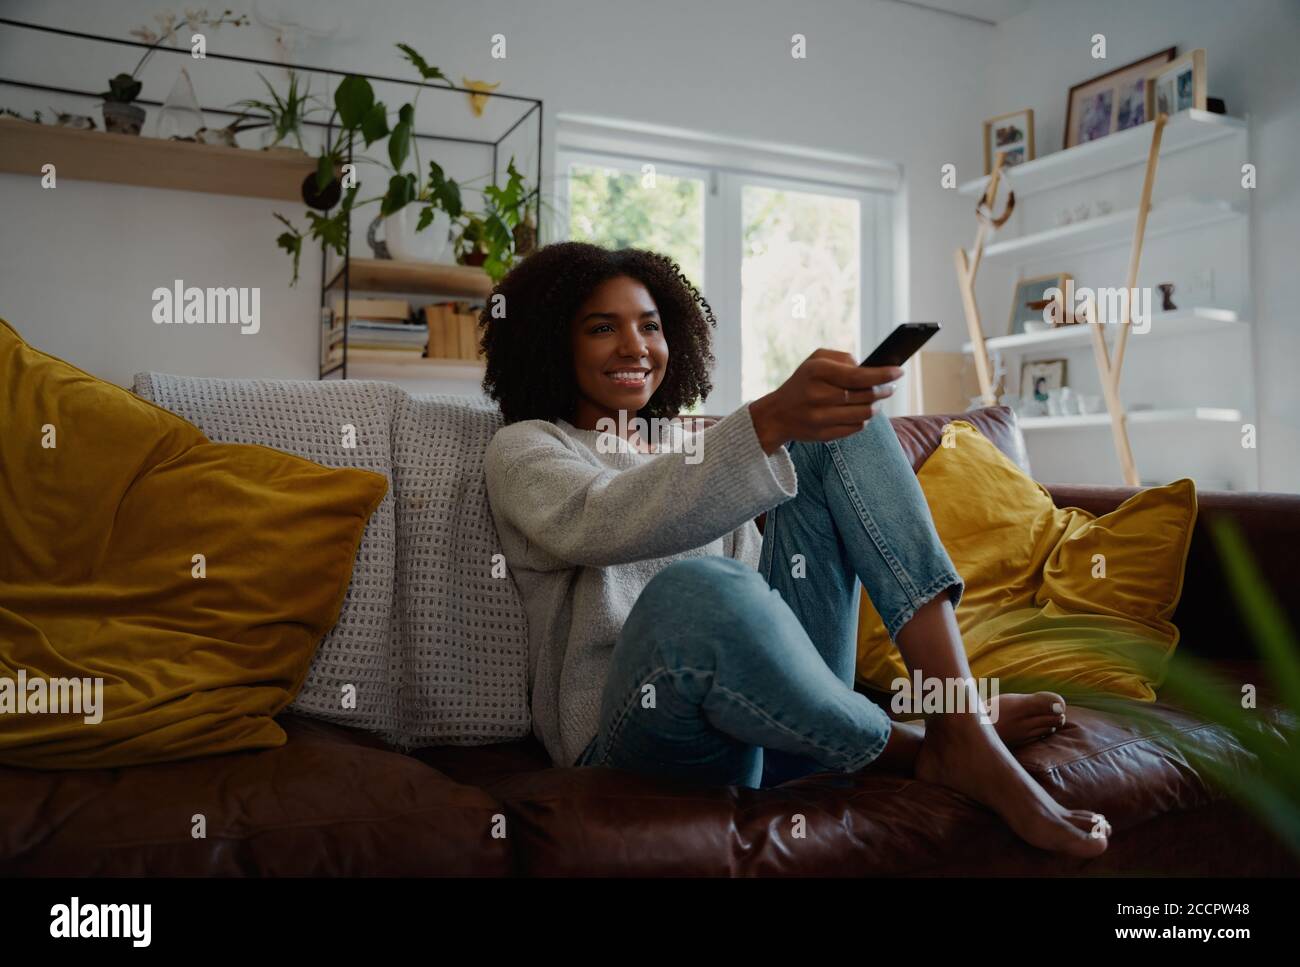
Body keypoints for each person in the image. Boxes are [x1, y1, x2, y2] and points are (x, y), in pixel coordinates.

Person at [481, 241, 1110, 857]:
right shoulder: (528, 447)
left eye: (650, 325)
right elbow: (605, 521)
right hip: (636, 741)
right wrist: (765, 421)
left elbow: (767, 621)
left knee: (840, 425)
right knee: (705, 592)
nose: (635, 347)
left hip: (774, 731)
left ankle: (959, 718)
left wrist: (787, 425)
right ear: (551, 343)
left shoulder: (688, 447)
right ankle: (922, 748)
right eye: (601, 328)